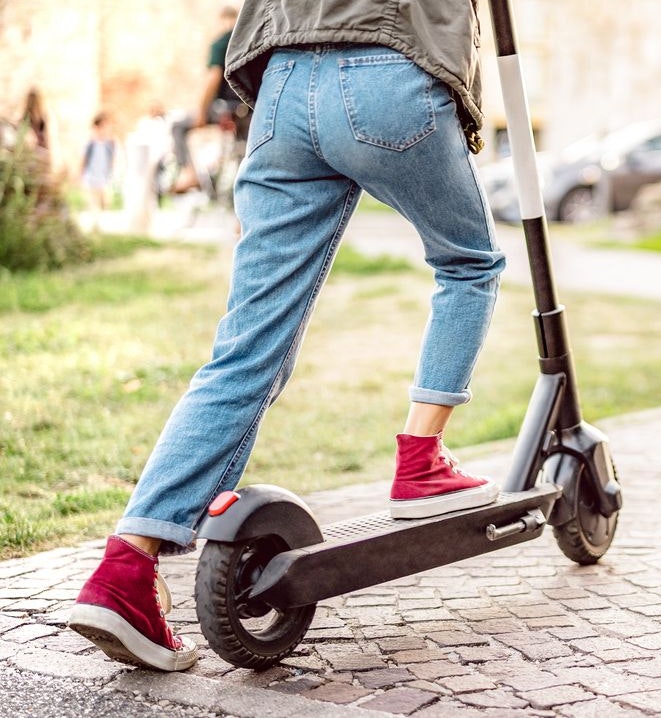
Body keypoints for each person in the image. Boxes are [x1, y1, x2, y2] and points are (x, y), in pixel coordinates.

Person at [68, 0, 501, 672]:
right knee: (469, 261)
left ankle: (125, 568)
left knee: (247, 345)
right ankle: (421, 461)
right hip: (390, 68)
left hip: (283, 88)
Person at [170, 5, 248, 194]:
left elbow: (213, 78)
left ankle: (189, 174)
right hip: (250, 109)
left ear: (222, 21)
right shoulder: (247, 41)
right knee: (245, 157)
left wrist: (202, 113)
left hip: (224, 109)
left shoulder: (221, 43)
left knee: (178, 126)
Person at [81, 112, 117, 227]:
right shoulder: (90, 142)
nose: (104, 130)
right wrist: (81, 174)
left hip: (104, 176)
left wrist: (113, 172)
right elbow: (84, 159)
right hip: (91, 175)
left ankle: (100, 219)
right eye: (102, 126)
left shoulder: (110, 143)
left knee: (105, 200)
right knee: (93, 200)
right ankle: (95, 223)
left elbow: (113, 159)